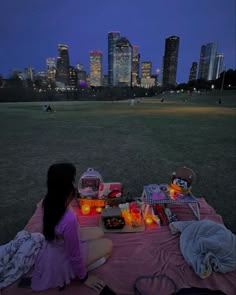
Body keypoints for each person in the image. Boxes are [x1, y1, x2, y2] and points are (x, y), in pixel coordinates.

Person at [31, 163, 113, 293]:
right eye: (71, 181)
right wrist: (84, 277)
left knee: (99, 231)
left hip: (56, 244)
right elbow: (74, 255)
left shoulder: (47, 200)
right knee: (108, 245)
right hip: (63, 258)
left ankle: (77, 263)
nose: (74, 185)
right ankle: (76, 271)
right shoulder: (68, 219)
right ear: (65, 187)